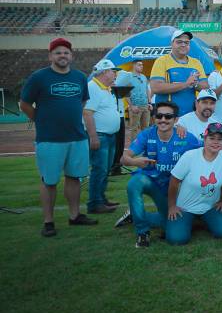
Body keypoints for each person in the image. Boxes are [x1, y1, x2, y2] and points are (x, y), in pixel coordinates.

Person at [20, 37, 98, 236]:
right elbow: (25, 104)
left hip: (77, 137)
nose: (62, 56)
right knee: (50, 181)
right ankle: (48, 222)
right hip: (50, 139)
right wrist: (41, 119)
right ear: (50, 56)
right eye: (58, 53)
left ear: (71, 56)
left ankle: (74, 216)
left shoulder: (80, 77)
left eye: (65, 53)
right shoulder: (39, 77)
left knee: (74, 178)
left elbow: (81, 103)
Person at [118, 101, 201, 247]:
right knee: (134, 183)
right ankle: (142, 233)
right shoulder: (147, 134)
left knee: (168, 224)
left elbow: (207, 150)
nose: (163, 119)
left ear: (176, 120)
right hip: (152, 182)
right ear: (154, 117)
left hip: (172, 189)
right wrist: (135, 162)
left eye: (168, 116)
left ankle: (135, 215)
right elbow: (124, 158)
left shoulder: (185, 137)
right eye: (159, 116)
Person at [166, 123, 222, 245]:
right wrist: (172, 205)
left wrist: (220, 201)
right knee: (177, 239)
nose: (216, 142)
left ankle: (204, 220)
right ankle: (146, 217)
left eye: (220, 139)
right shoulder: (190, 156)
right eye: (212, 138)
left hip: (210, 206)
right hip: (185, 207)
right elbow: (174, 180)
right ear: (204, 138)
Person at [83, 59, 123, 214]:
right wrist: (93, 137)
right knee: (99, 170)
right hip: (101, 136)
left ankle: (100, 199)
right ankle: (95, 203)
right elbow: (87, 114)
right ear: (105, 72)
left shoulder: (105, 88)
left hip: (109, 136)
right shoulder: (93, 88)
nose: (115, 74)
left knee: (104, 170)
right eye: (113, 71)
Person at [150, 29, 208, 117]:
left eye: (186, 42)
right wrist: (186, 84)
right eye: (179, 42)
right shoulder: (162, 61)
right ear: (172, 43)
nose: (183, 45)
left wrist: (195, 83)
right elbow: (156, 87)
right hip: (168, 116)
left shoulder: (196, 62)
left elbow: (206, 87)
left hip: (190, 114)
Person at [116, 59, 151, 142]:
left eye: (142, 65)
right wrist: (132, 106)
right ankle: (134, 148)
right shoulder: (129, 77)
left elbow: (147, 90)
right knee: (134, 129)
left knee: (146, 128)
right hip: (135, 106)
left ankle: (144, 146)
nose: (141, 66)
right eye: (139, 65)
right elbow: (126, 92)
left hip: (145, 106)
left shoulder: (143, 77)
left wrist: (150, 103)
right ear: (134, 65)